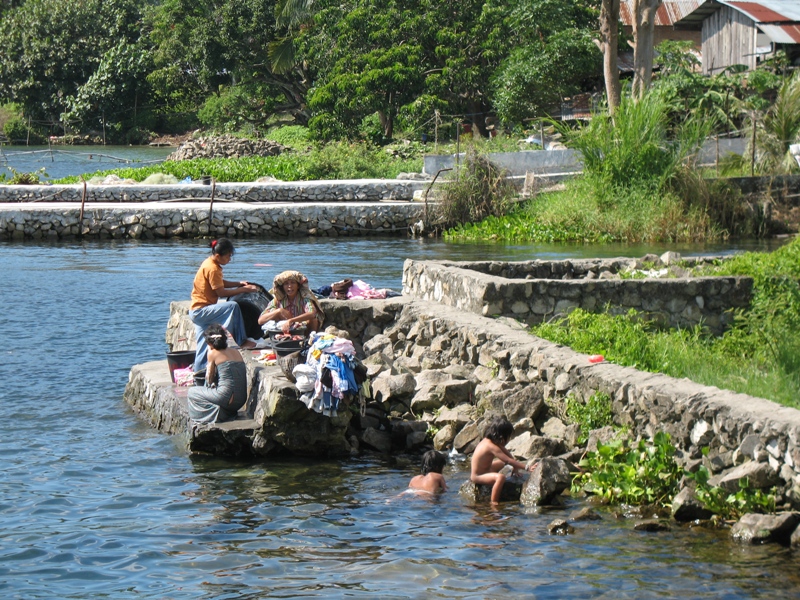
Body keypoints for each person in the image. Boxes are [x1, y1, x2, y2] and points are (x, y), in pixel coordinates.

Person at [190, 238, 258, 372]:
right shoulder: (213, 268)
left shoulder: (209, 262)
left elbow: (219, 282)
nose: (229, 259)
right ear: (217, 256)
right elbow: (220, 292)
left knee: (203, 346)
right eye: (227, 256)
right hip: (202, 311)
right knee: (233, 307)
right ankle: (241, 340)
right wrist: (244, 290)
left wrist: (238, 283)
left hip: (196, 311)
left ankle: (199, 372)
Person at [187, 323, 249, 423]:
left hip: (225, 397)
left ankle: (216, 414)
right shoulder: (236, 352)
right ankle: (223, 412)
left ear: (210, 343)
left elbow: (209, 379)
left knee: (192, 392)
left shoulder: (213, 353)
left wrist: (209, 354)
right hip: (241, 400)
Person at [470, 416, 534, 504]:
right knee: (500, 477)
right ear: (502, 436)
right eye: (508, 436)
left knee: (501, 463)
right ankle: (494, 502)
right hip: (478, 476)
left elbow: (507, 454)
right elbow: (508, 460)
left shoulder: (491, 441)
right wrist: (526, 467)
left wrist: (515, 468)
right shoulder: (490, 446)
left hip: (487, 469)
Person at [258, 270, 325, 334]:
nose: (289, 286)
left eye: (293, 283)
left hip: (304, 331)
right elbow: (260, 321)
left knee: (314, 320)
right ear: (283, 287)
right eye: (286, 284)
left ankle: (308, 341)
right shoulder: (277, 300)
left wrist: (291, 321)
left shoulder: (305, 299)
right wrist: (278, 311)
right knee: (280, 312)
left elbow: (312, 313)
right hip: (286, 331)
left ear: (298, 286)